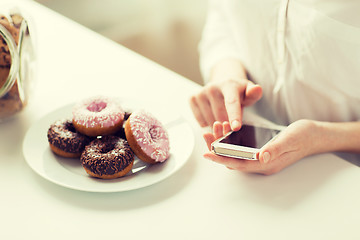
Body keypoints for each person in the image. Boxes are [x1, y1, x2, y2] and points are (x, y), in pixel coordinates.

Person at [189, 0, 360, 175]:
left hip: (345, 174)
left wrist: (321, 138)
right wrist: (227, 76)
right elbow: (223, 20)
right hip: (249, 138)